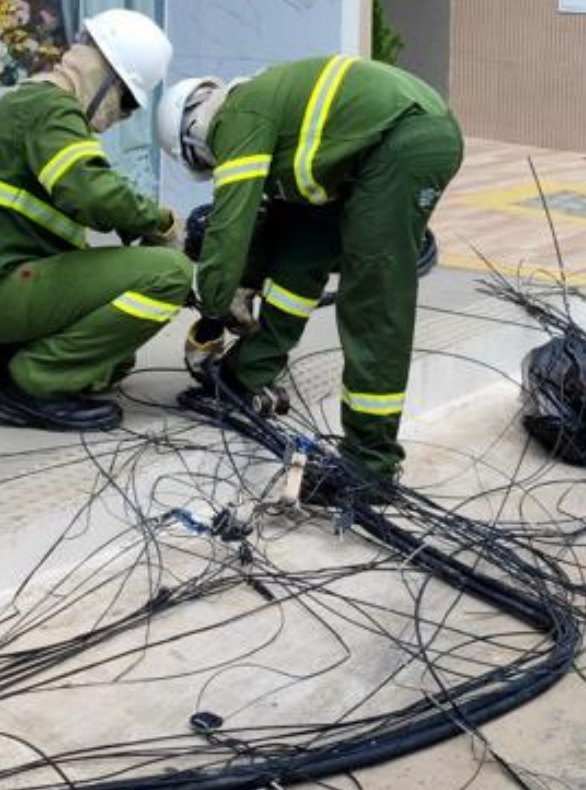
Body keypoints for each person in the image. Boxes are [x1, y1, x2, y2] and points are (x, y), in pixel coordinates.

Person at [155, 55, 463, 502]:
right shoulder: (269, 117)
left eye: (205, 160)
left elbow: (231, 221)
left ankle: (370, 463)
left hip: (407, 139)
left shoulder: (238, 115)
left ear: (194, 134)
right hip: (373, 152)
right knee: (298, 255)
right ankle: (249, 372)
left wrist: (211, 310)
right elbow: (272, 223)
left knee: (372, 296)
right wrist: (247, 282)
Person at [0, 9, 186, 433]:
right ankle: (32, 385)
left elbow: (86, 193)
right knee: (170, 274)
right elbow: (92, 191)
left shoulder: (31, 106)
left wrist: (137, 228)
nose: (125, 115)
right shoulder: (51, 109)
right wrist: (162, 224)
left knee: (112, 357)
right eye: (129, 100)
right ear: (106, 76)